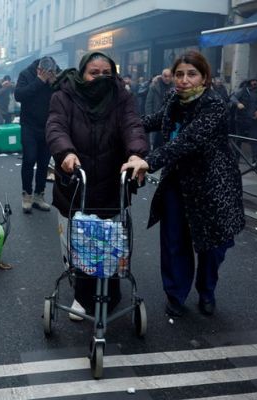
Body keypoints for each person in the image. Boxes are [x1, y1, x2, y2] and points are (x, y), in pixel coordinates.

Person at [122, 51, 245, 317]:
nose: (184, 80)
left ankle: (206, 289)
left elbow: (189, 140)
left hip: (213, 184)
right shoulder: (173, 99)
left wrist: (149, 161)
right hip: (177, 181)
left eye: (191, 74)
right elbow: (155, 121)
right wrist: (124, 128)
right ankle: (175, 293)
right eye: (179, 74)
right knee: (174, 240)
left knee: (212, 246)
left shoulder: (213, 104)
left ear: (204, 77)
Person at [47, 51, 148, 320]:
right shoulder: (64, 95)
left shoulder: (121, 95)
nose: (100, 78)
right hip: (75, 182)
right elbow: (56, 127)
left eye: (106, 73)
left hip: (111, 182)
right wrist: (65, 152)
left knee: (110, 243)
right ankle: (81, 296)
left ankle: (108, 294)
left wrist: (136, 153)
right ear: (82, 74)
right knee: (78, 243)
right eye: (94, 73)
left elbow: (132, 125)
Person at [15, 56, 59, 213]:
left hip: (48, 125)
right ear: (38, 69)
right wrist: (39, 81)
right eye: (43, 71)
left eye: (50, 72)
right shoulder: (26, 74)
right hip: (29, 125)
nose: (47, 73)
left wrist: (55, 84)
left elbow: (65, 96)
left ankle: (39, 195)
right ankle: (26, 195)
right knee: (29, 159)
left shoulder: (57, 74)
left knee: (44, 162)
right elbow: (19, 95)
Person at [231, 77, 257, 162]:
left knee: (254, 140)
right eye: (253, 81)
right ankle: (236, 158)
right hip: (241, 118)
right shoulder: (243, 90)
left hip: (253, 119)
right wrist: (238, 103)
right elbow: (232, 98)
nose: (254, 83)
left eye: (256, 81)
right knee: (238, 139)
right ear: (250, 82)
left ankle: (255, 160)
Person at [145, 68, 173, 150]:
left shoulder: (175, 86)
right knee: (155, 140)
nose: (167, 78)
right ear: (161, 76)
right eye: (165, 76)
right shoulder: (154, 86)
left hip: (170, 116)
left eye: (169, 76)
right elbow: (149, 102)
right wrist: (149, 116)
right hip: (156, 115)